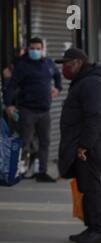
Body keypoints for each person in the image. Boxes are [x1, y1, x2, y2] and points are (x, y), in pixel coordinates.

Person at [56, 48, 101, 243]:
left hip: (91, 145)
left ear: (79, 62)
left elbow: (95, 116)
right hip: (88, 142)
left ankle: (98, 229)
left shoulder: (91, 83)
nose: (65, 68)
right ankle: (92, 227)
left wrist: (84, 145)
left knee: (91, 185)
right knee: (86, 184)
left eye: (68, 63)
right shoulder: (87, 81)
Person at [3, 37, 62, 182]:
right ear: (28, 49)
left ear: (42, 49)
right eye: (32, 48)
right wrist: (8, 104)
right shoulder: (23, 66)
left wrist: (58, 89)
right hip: (27, 110)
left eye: (38, 48)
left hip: (44, 110)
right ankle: (16, 171)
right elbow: (12, 85)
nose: (35, 51)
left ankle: (42, 172)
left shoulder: (48, 64)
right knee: (25, 141)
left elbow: (58, 76)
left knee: (45, 141)